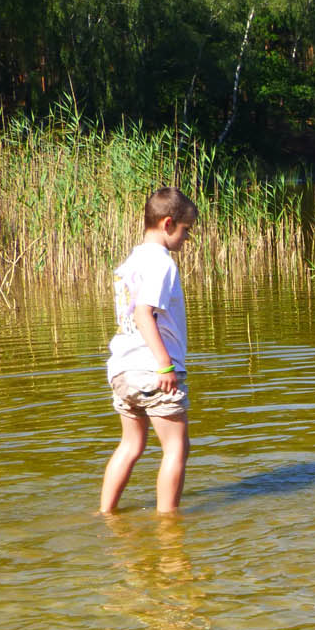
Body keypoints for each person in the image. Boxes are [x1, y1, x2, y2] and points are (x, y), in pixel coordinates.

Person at [100, 187, 198, 514]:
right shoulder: (161, 262)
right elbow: (144, 312)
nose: (187, 238)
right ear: (168, 223)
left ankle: (106, 514)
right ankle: (169, 527)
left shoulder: (131, 262)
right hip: (152, 370)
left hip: (123, 370)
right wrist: (165, 365)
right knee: (176, 448)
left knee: (131, 444)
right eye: (186, 230)